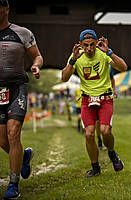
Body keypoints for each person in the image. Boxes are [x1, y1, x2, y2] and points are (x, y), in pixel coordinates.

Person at [62, 29, 128, 177]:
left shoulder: (103, 53)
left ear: (96, 43)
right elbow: (64, 78)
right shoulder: (76, 56)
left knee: (105, 131)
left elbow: (123, 67)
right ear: (80, 44)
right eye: (85, 45)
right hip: (87, 100)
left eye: (92, 44)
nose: (89, 49)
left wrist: (109, 52)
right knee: (89, 134)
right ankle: (95, 167)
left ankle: (112, 154)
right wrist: (73, 60)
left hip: (105, 98)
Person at [0, 0, 43, 198]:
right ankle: (24, 156)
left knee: (13, 133)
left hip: (17, 87)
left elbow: (37, 56)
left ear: (6, 8)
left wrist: (36, 66)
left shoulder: (22, 33)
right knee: (2, 141)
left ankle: (13, 184)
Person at [96, 65, 117, 150]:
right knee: (97, 122)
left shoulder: (109, 65)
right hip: (94, 97)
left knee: (107, 126)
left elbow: (112, 78)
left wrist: (114, 89)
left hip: (107, 97)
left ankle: (109, 145)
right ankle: (99, 140)